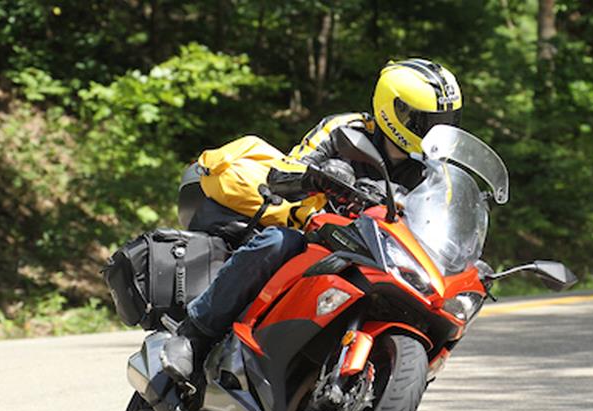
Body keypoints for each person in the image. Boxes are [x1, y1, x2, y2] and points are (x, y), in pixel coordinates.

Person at [160, 58, 463, 391]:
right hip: (320, 234)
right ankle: (194, 334)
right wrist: (324, 176)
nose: (435, 131)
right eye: (424, 121)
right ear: (394, 111)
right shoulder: (346, 130)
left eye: (446, 121)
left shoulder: (435, 172)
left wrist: (461, 252)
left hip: (381, 253)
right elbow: (285, 172)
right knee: (277, 242)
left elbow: (440, 226)